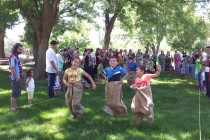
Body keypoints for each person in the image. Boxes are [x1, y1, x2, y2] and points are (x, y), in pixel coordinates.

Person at [9, 43, 23, 111]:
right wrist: (16, 77)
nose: (21, 51)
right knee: (14, 94)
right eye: (19, 49)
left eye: (21, 49)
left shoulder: (17, 56)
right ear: (15, 49)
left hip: (18, 77)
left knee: (16, 93)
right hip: (15, 78)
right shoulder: (13, 57)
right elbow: (12, 68)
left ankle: (15, 107)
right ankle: (13, 109)